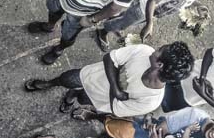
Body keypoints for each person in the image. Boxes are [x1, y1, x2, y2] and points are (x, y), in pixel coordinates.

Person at [24, 42, 194, 118]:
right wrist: (117, 90)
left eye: (158, 51)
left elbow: (117, 110)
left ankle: (70, 97)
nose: (153, 49)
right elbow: (109, 58)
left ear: (159, 64)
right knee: (66, 78)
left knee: (80, 98)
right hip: (92, 75)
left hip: (97, 99)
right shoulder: (144, 51)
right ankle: (49, 83)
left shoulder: (151, 101)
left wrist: (115, 73)